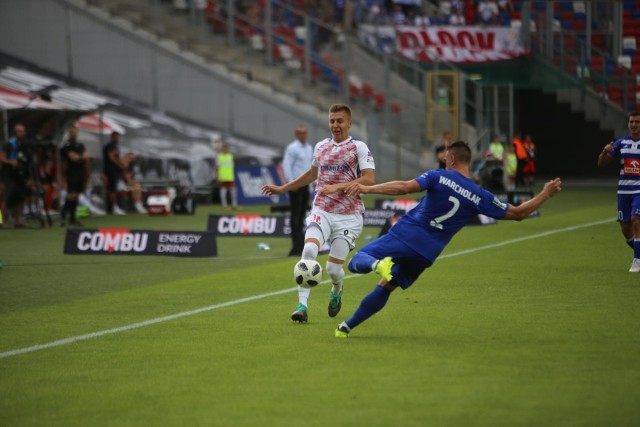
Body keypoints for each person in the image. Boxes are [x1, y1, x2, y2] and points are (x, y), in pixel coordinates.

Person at [334, 140, 562, 337]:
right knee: (387, 285)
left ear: (451, 159)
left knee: (358, 260)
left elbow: (404, 187)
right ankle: (346, 326)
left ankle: (378, 264)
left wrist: (367, 189)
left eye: (445, 159)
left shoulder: (438, 176)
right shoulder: (479, 195)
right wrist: (545, 194)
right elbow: (519, 213)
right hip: (427, 253)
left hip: (408, 234)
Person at [262, 103, 376, 323]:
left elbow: (369, 179)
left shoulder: (358, 148)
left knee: (333, 269)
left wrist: (338, 186)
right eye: (332, 121)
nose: (335, 125)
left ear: (349, 123)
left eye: (340, 120)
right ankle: (302, 305)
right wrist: (283, 188)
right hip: (322, 210)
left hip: (348, 216)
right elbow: (311, 174)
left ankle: (337, 288)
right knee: (309, 250)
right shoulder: (321, 146)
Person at [598, 111, 640, 272]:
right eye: (632, 122)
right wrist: (604, 152)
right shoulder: (621, 143)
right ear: (628, 124)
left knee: (636, 220)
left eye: (637, 122)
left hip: (639, 189)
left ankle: (637, 260)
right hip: (623, 191)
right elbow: (601, 164)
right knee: (625, 228)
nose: (634, 125)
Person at [282, 125, 313, 256]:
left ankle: (301, 243)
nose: (303, 135)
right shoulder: (292, 148)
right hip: (295, 184)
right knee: (295, 214)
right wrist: (290, 182)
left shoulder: (309, 148)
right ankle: (295, 244)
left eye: (305, 133)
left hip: (305, 184)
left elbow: (311, 166)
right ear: (296, 135)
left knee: (302, 214)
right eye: (300, 133)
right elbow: (286, 164)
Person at [103, 131, 146, 215]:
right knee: (116, 189)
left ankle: (138, 205)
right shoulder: (110, 147)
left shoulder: (127, 167)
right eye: (128, 158)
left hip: (123, 183)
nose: (129, 160)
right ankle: (115, 207)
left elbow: (128, 178)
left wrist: (130, 182)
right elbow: (125, 177)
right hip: (119, 183)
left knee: (136, 186)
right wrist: (120, 165)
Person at [0, 123, 31, 228]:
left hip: (20, 174)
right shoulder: (10, 143)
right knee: (5, 197)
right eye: (19, 131)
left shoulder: (25, 144)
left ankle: (18, 221)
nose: (21, 133)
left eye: (23, 131)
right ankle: (2, 222)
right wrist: (10, 162)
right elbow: (2, 157)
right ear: (15, 132)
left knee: (21, 197)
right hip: (9, 174)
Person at [59, 124, 90, 226]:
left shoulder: (80, 145)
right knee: (71, 195)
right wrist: (81, 157)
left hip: (80, 173)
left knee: (76, 195)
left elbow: (86, 157)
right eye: (72, 132)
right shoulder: (66, 146)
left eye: (75, 132)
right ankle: (63, 214)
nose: (73, 134)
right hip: (71, 173)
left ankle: (72, 218)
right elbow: (73, 158)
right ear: (69, 133)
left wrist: (80, 157)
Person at [216, 142, 240, 210]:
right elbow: (217, 167)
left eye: (226, 148)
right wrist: (218, 176)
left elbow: (232, 166)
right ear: (222, 149)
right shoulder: (219, 156)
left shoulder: (230, 156)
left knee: (233, 192)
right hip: (223, 177)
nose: (225, 149)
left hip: (230, 176)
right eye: (224, 148)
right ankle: (224, 205)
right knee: (223, 192)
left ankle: (234, 205)